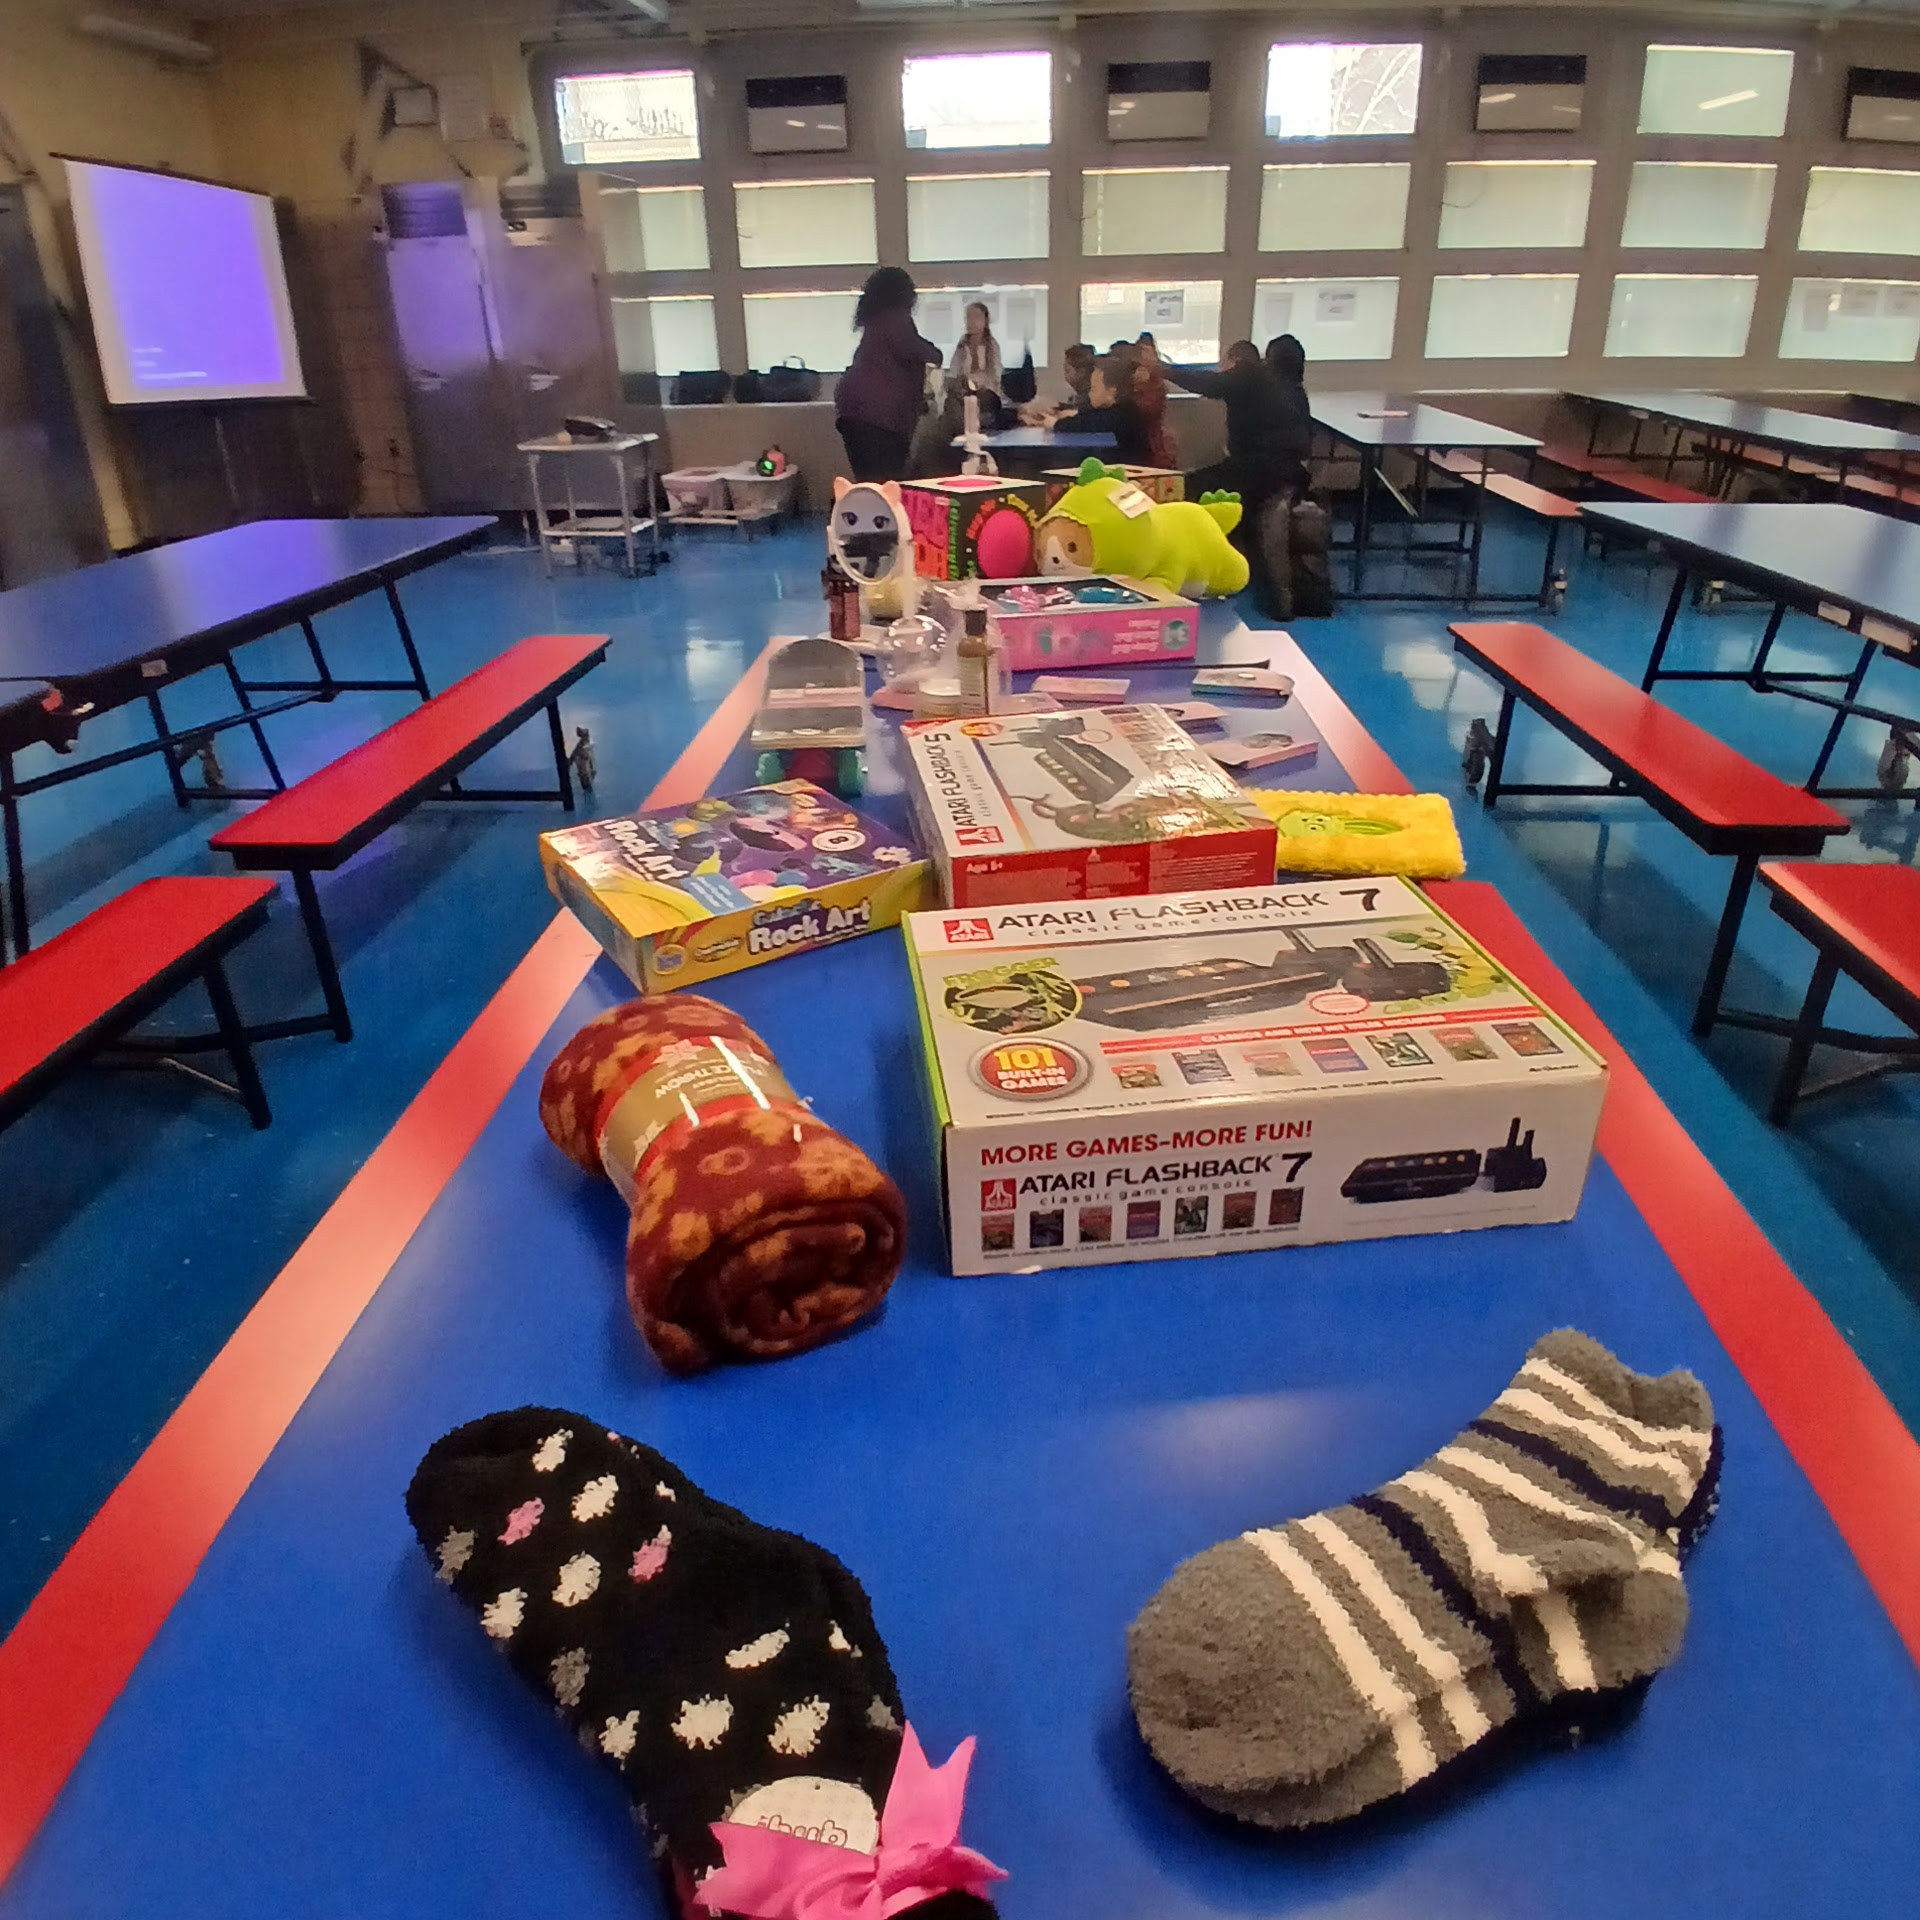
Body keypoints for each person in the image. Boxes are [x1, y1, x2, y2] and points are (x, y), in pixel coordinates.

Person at [1167, 339, 1310, 505]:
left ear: (1236, 361)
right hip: (1294, 474)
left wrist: (1166, 370)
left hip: (1258, 472)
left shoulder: (1250, 376)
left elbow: (1210, 383)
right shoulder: (1297, 393)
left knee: (1183, 488)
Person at [835, 267, 940, 482]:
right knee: (887, 487)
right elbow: (917, 350)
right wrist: (935, 353)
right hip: (879, 416)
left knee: (870, 484)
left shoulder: (874, 320)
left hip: (853, 410)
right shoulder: (895, 318)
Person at [1051, 355, 1153, 465]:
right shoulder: (1120, 408)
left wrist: (1054, 423)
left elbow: (1087, 423)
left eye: (1094, 389)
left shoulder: (1121, 415)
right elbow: (1090, 415)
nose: (1090, 394)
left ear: (1111, 391)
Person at [1131, 331, 1176, 470]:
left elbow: (1149, 410)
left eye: (1148, 352)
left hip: (1152, 442)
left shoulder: (1156, 384)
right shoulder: (1128, 379)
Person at [948, 301, 1003, 398]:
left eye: (976, 317)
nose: (971, 322)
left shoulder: (992, 346)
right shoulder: (961, 346)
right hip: (963, 394)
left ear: (985, 321)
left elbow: (996, 375)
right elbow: (954, 372)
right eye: (968, 317)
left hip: (988, 394)